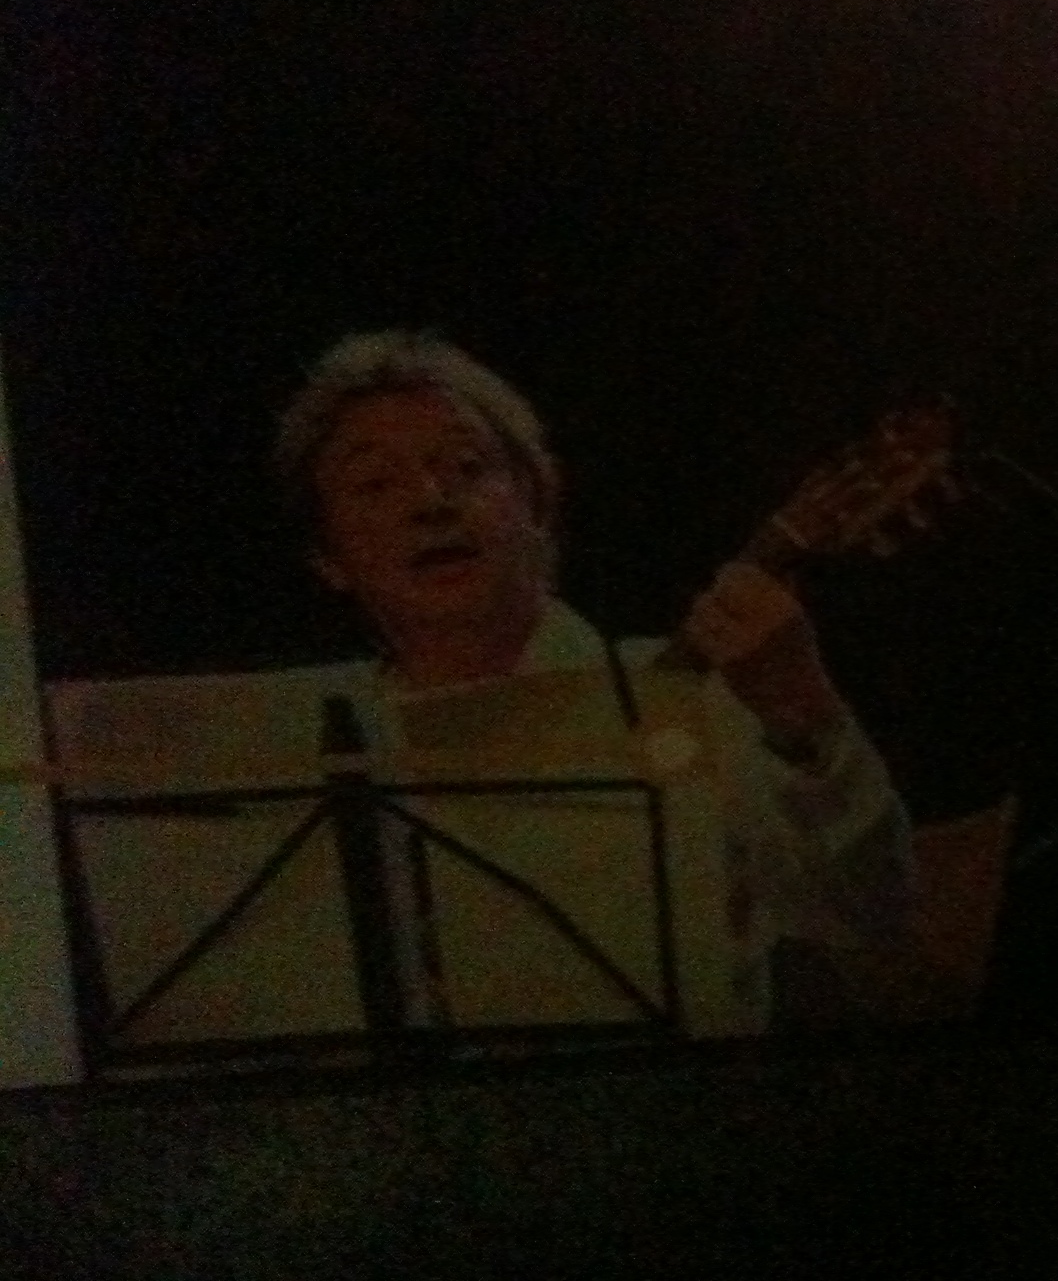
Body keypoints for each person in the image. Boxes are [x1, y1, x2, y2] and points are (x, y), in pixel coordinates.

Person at [273, 330, 915, 1036]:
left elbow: (868, 914)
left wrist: (800, 712)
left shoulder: (685, 697)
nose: (430, 500)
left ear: (539, 503)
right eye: (375, 484)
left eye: (465, 466)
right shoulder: (307, 747)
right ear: (327, 556)